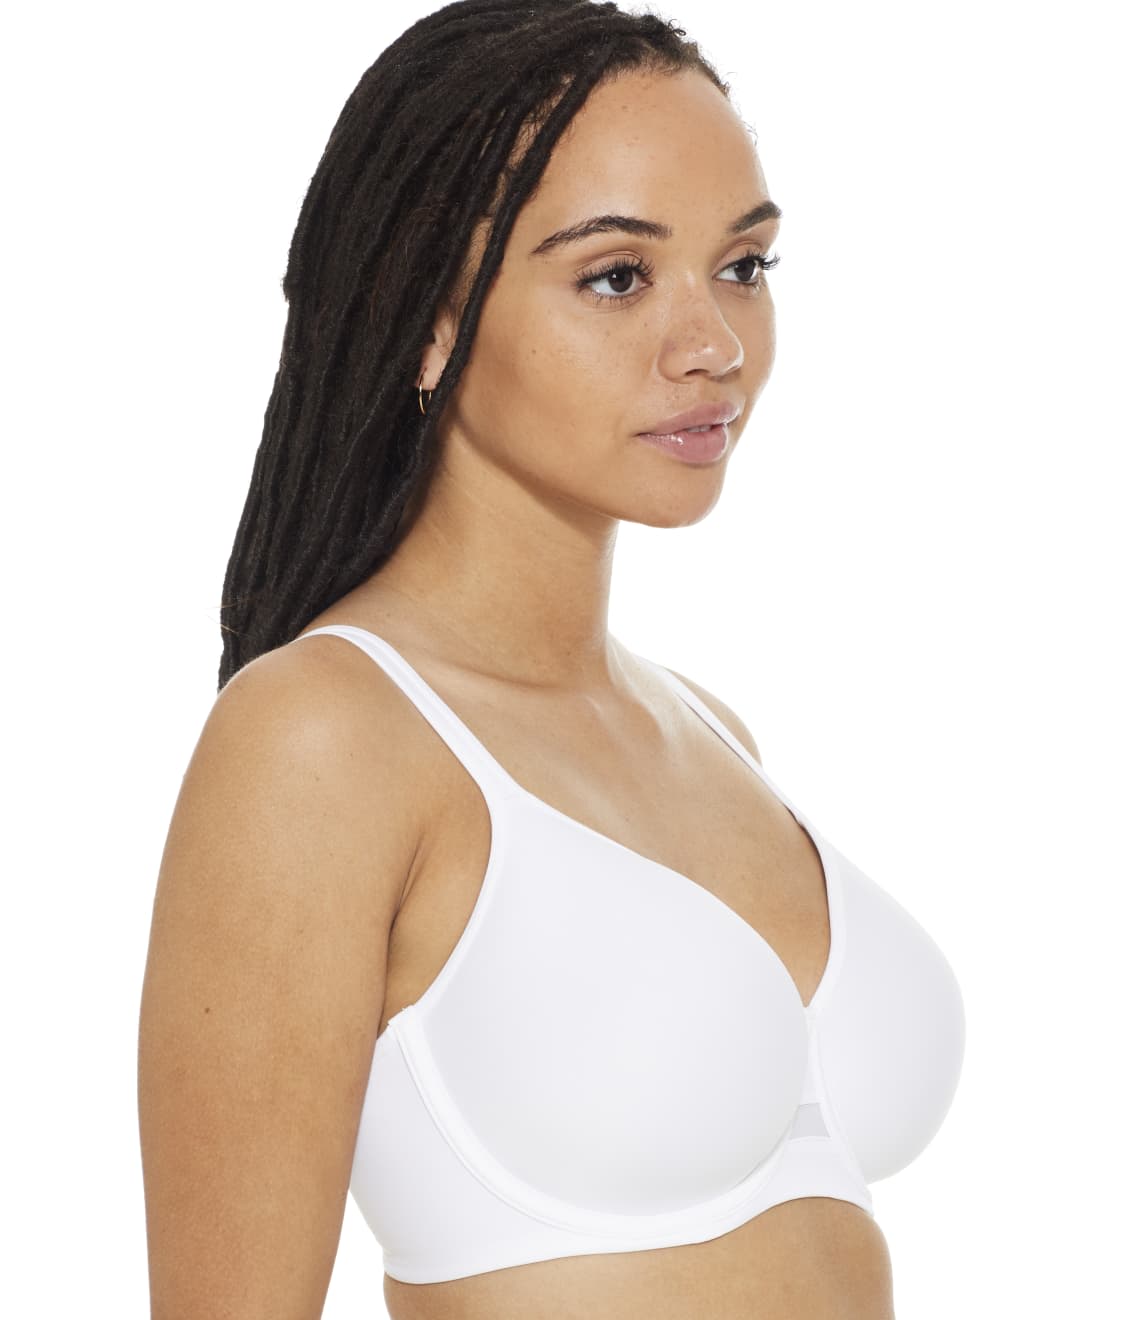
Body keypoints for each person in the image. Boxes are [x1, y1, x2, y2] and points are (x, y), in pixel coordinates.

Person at [138, 2, 966, 1317]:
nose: (714, 346)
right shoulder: (322, 740)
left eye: (742, 265)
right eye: (617, 277)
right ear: (425, 320)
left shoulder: (712, 733)